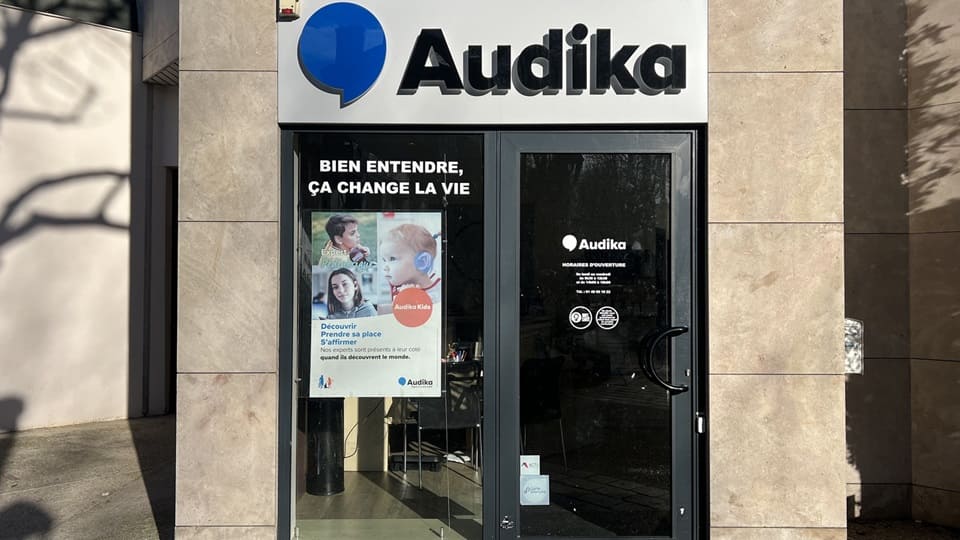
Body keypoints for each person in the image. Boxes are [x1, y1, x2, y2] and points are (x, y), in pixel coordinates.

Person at [379, 223, 441, 303]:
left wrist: (407, 300)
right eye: (384, 260)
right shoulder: (396, 285)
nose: (385, 267)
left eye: (392, 259)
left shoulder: (438, 295)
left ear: (422, 262)